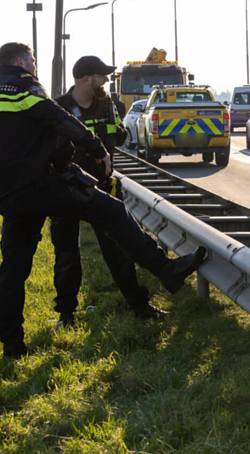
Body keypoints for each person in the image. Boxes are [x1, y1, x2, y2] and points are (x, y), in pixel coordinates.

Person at [0, 43, 206, 359]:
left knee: (14, 268)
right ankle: (164, 269)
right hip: (41, 184)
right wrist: (97, 148)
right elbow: (58, 119)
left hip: (10, 197)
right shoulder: (23, 87)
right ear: (22, 61)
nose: (35, 66)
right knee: (111, 210)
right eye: (33, 60)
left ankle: (12, 345)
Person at [51, 55, 166, 324]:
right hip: (66, 190)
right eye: (101, 76)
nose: (105, 80)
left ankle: (140, 306)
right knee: (66, 254)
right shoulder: (58, 107)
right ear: (86, 79)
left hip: (104, 187)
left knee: (118, 250)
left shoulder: (108, 105)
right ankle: (66, 315)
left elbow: (119, 135)